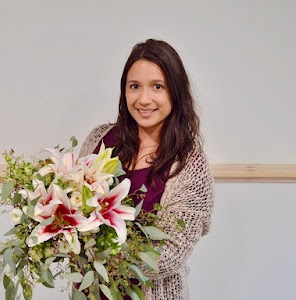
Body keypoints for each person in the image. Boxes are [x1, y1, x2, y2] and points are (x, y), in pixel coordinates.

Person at [79, 39, 214, 300]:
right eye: (134, 86)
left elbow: (170, 253)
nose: (144, 99)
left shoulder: (190, 163)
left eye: (157, 87)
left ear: (175, 91)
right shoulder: (99, 139)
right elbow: (74, 201)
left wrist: (97, 252)